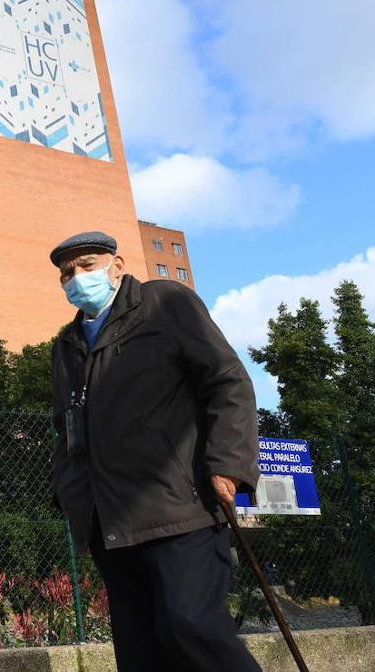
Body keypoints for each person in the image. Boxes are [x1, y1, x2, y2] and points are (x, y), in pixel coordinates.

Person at [48, 231, 261, 672]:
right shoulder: (65, 346)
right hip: (107, 518)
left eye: (87, 265)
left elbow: (227, 381)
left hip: (179, 507)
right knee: (140, 649)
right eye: (67, 272)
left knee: (190, 624)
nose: (76, 277)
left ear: (118, 266)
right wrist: (70, 494)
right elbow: (64, 429)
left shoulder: (164, 303)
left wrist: (229, 462)